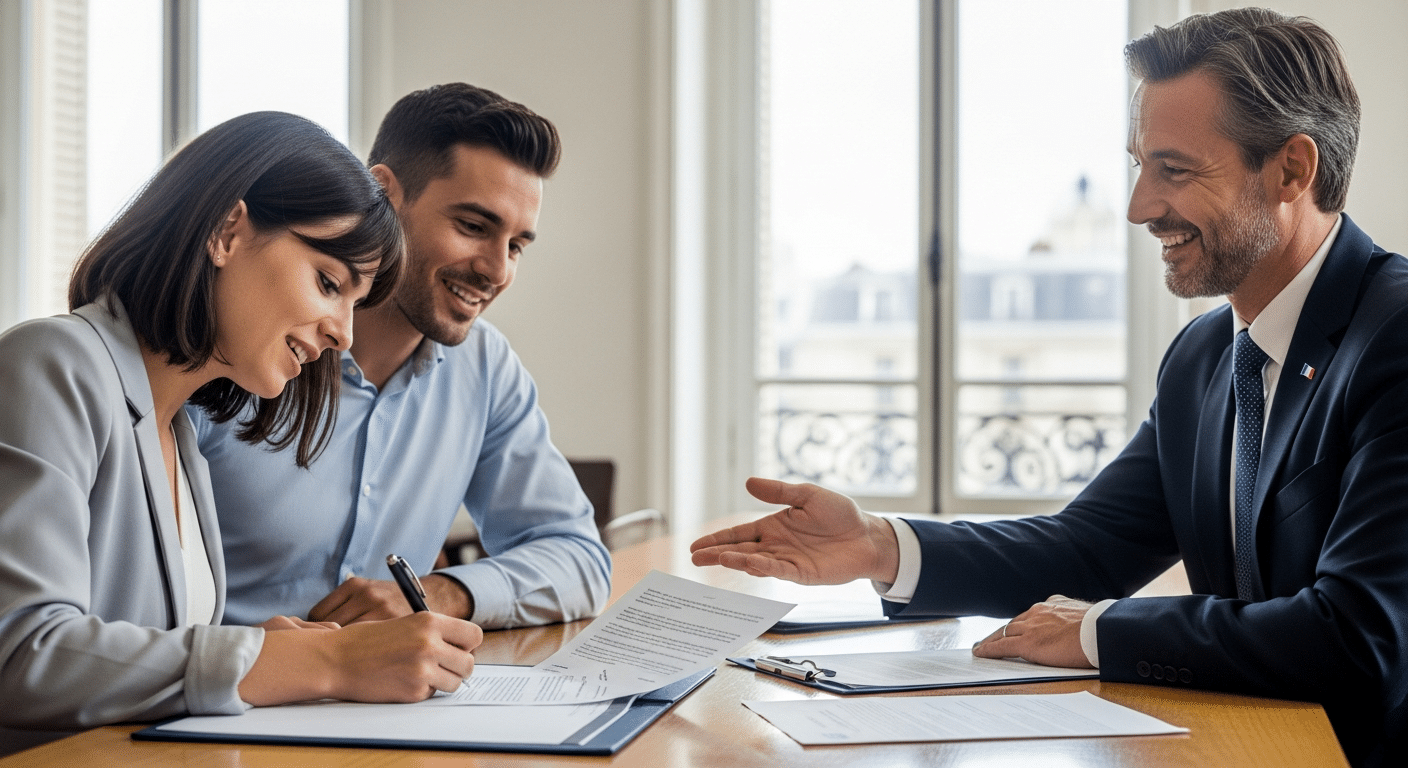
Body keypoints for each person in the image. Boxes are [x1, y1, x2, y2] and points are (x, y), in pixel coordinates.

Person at [691, 9, 1408, 767]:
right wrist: (878, 545)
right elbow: (1089, 547)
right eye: (1139, 165)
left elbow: (1361, 636)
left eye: (1175, 170)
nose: (1138, 207)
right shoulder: (1202, 357)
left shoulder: (1393, 337)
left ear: (1293, 169)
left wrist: (1097, 631)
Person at [0, 111, 484, 756]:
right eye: (329, 282)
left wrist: (280, 651)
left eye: (355, 301)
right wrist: (322, 663)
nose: (344, 332)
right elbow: (24, 653)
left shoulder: (183, 435)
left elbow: (147, 661)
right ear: (228, 231)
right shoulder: (52, 364)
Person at [191, 84, 610, 630]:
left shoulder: (484, 368)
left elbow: (578, 558)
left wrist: (441, 593)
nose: (497, 270)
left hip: (378, 702)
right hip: (217, 698)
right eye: (473, 227)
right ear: (384, 193)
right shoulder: (245, 342)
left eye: (515, 246)